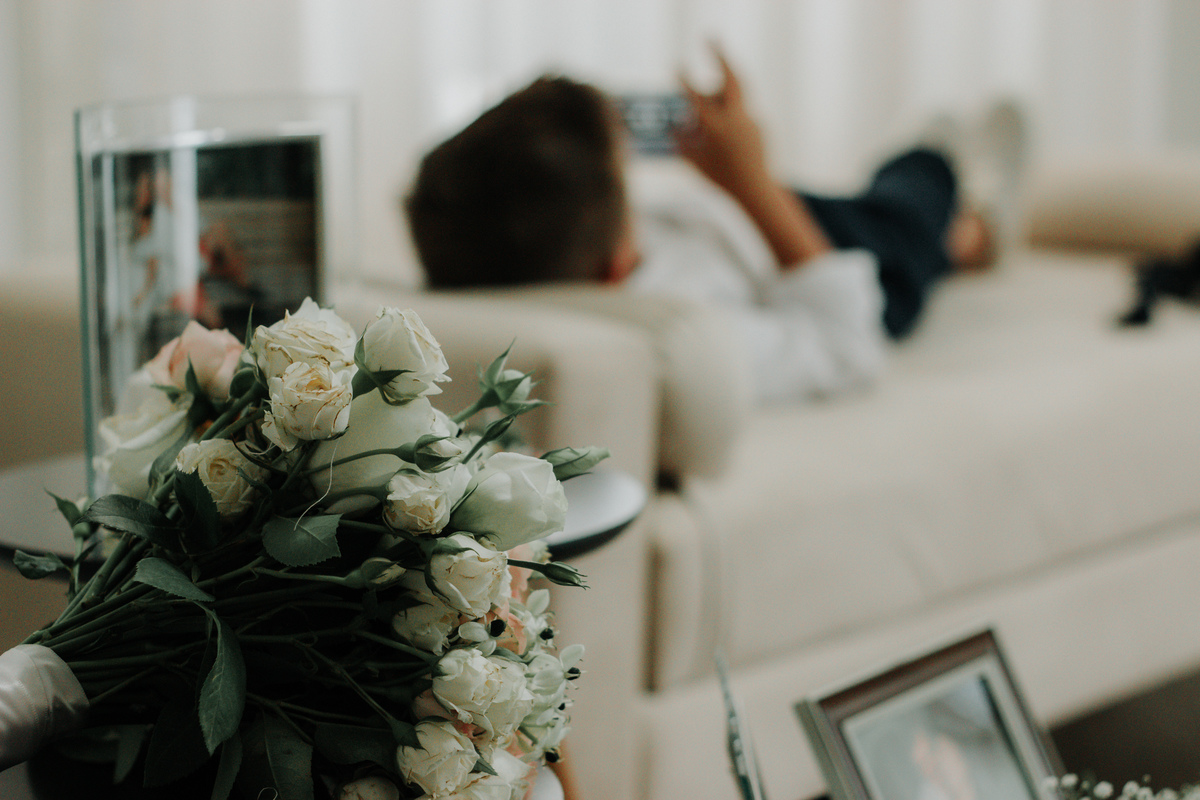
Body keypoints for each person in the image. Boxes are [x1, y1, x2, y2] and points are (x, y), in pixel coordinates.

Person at [405, 46, 1024, 404]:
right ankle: (963, 212)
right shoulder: (692, 339)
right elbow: (846, 342)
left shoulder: (512, 248)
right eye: (624, 175)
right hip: (819, 264)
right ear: (615, 269)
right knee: (916, 191)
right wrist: (752, 184)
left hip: (734, 225)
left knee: (890, 202)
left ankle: (961, 227)